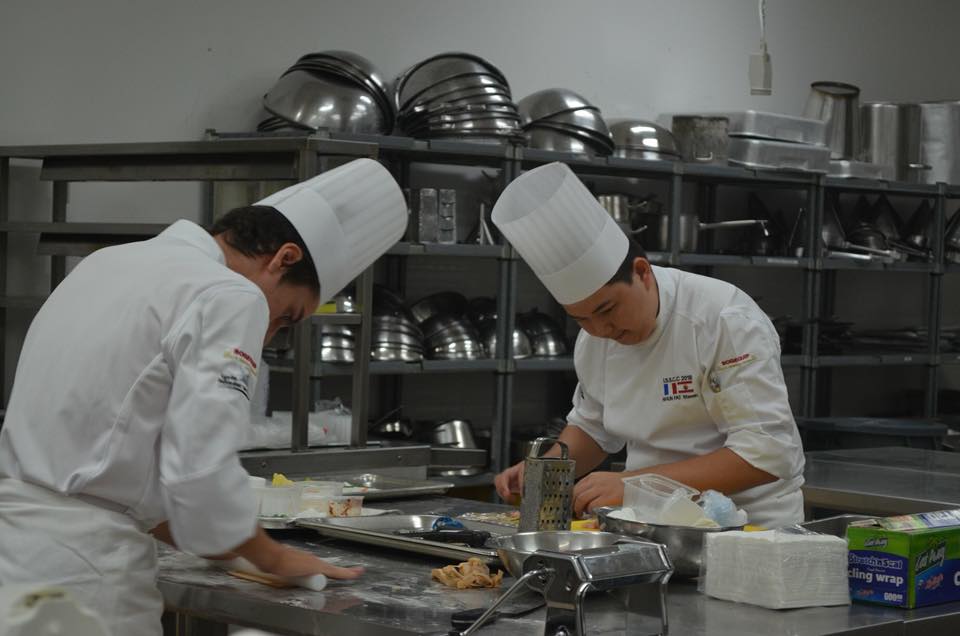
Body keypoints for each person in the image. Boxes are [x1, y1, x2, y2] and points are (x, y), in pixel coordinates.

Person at [0, 157, 408, 635]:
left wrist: (232, 549)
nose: (269, 335)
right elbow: (200, 469)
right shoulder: (229, 294)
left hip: (16, 556)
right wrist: (274, 557)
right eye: (287, 318)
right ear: (284, 258)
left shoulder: (107, 263)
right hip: (87, 577)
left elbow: (117, 469)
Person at [491, 162, 805, 529]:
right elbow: (594, 427)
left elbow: (767, 454)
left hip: (747, 530)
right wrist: (544, 471)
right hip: (646, 523)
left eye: (607, 309)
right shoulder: (595, 338)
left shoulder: (722, 319)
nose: (600, 329)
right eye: (580, 319)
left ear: (642, 273)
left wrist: (633, 484)